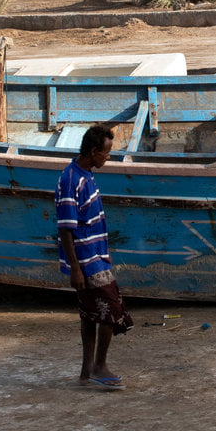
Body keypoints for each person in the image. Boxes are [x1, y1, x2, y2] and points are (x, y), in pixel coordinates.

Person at [56, 125, 132, 389]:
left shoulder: (86, 174)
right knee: (109, 310)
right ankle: (100, 366)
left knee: (89, 314)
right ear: (93, 151)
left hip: (97, 255)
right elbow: (66, 228)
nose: (108, 157)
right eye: (106, 153)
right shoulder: (70, 180)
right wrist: (75, 269)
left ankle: (86, 372)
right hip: (87, 261)